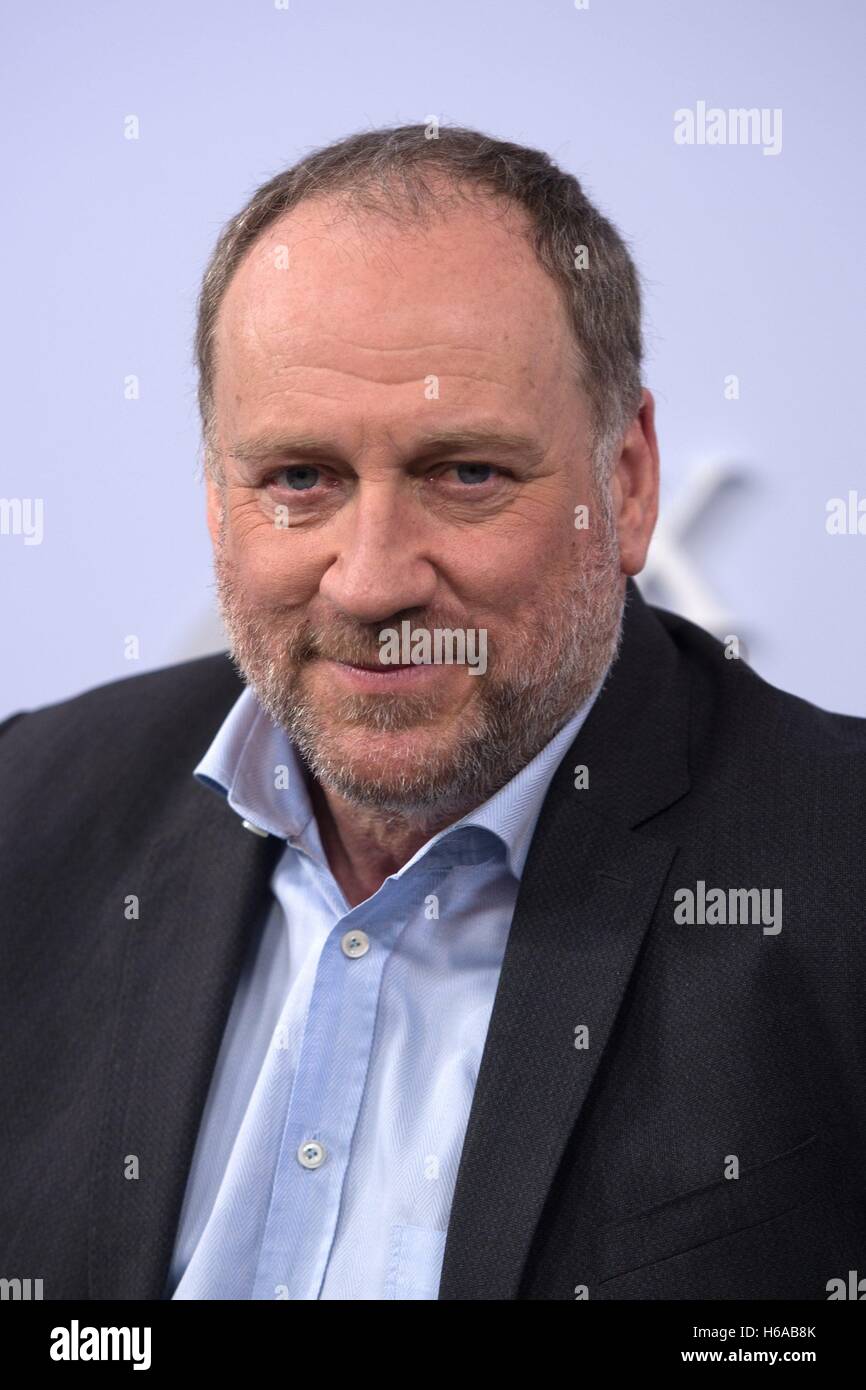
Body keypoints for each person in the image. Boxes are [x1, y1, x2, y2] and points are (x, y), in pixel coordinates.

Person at [1, 124, 864, 1301]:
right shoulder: (28, 810)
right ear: (216, 501)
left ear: (624, 481)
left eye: (465, 474)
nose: (370, 580)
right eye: (298, 479)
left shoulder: (834, 867)